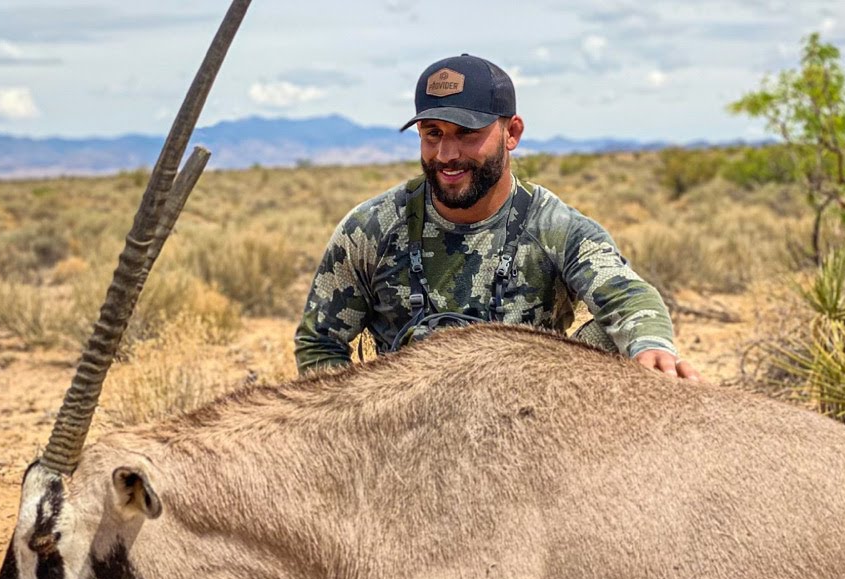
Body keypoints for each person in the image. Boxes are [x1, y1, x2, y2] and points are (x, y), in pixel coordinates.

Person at [294, 53, 701, 381]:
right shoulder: (372, 227)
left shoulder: (556, 227)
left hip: (527, 419)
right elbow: (319, 342)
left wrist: (652, 346)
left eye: (467, 134)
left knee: (612, 339)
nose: (446, 155)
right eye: (432, 133)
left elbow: (628, 297)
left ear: (512, 133)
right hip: (404, 430)